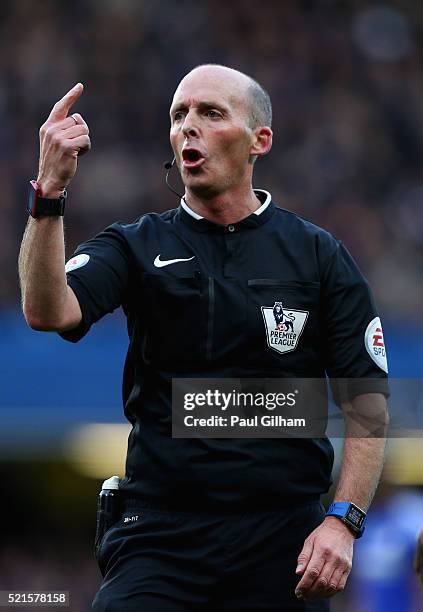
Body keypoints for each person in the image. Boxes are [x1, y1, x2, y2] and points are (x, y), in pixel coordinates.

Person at [19, 65, 389, 611]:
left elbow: (368, 404)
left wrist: (344, 521)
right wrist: (49, 193)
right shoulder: (135, 245)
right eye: (178, 115)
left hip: (283, 541)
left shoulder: (318, 255)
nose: (188, 126)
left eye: (210, 113)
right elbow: (47, 311)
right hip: (161, 536)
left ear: (258, 140)